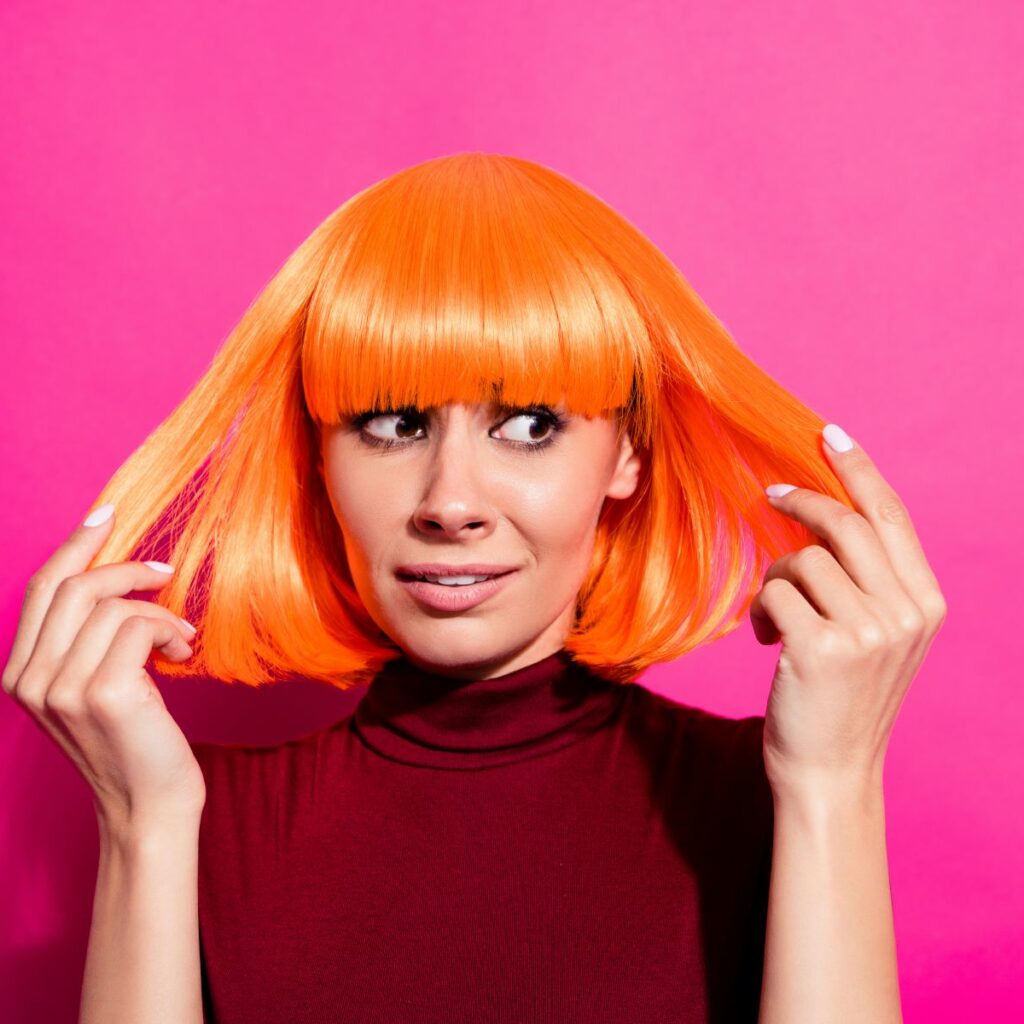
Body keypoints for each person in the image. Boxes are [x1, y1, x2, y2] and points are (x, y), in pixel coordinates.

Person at [1, 152, 946, 1024]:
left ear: (627, 454)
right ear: (319, 459)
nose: (450, 502)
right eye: (392, 422)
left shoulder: (772, 796)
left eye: (530, 424)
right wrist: (141, 827)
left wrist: (833, 786)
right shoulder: (191, 813)